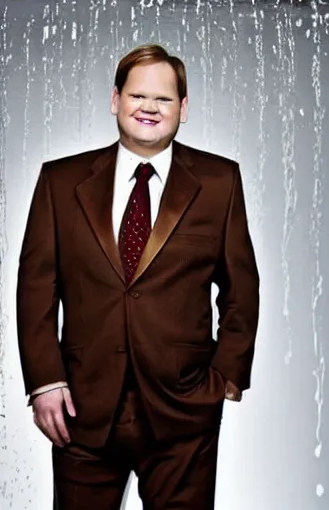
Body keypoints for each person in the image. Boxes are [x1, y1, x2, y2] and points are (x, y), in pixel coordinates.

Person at [16, 43, 259, 509]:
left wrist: (225, 376)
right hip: (82, 408)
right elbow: (36, 288)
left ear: (183, 109)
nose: (149, 107)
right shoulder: (60, 182)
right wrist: (45, 381)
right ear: (115, 100)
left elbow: (241, 286)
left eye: (164, 99)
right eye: (137, 96)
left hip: (183, 410)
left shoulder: (219, 182)